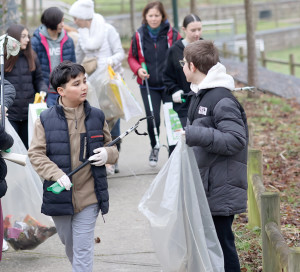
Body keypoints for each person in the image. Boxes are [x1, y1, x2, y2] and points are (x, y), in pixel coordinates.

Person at [28, 61, 118, 271]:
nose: (84, 86)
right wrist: (56, 174)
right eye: (76, 84)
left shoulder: (97, 116)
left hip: (90, 196)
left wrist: (107, 154)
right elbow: (36, 153)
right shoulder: (45, 120)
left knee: (83, 250)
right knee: (71, 247)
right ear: (61, 90)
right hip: (60, 197)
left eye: (84, 81)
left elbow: (112, 147)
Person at [182, 40, 248, 272]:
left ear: (192, 66)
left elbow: (235, 140)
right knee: (211, 246)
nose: (182, 67)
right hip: (208, 185)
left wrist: (194, 134)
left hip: (221, 187)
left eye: (183, 63)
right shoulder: (201, 94)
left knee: (222, 246)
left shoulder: (222, 99)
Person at [69, 0, 124, 173]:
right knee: (96, 121)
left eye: (76, 18)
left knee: (113, 120)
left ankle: (114, 158)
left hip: (108, 82)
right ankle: (100, 157)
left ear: (84, 17)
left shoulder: (108, 30)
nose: (75, 21)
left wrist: (110, 61)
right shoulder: (82, 33)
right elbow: (78, 56)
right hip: (90, 83)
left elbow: (120, 52)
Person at [128, 1, 181, 167]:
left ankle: (174, 153)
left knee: (172, 121)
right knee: (153, 120)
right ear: (145, 17)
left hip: (169, 85)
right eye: (150, 15)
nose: (153, 18)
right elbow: (131, 57)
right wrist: (138, 70)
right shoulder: (139, 35)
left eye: (157, 15)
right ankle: (155, 146)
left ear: (162, 16)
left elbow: (181, 56)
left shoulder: (173, 34)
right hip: (148, 85)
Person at [5, 24, 48, 149]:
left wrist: (43, 90)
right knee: (13, 149)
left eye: (27, 36)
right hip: (10, 114)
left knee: (28, 148)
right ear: (14, 38)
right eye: (23, 36)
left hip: (28, 114)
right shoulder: (3, 59)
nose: (27, 40)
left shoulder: (32, 56)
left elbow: (39, 79)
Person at [31, 7, 76, 107]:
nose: (63, 25)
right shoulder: (36, 42)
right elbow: (32, 70)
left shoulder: (68, 41)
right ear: (52, 21)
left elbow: (73, 66)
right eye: (60, 21)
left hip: (65, 91)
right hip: (46, 93)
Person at [163, 14, 203, 128]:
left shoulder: (206, 48)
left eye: (199, 29)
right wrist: (175, 90)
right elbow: (166, 76)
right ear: (184, 29)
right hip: (183, 106)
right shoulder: (174, 51)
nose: (197, 34)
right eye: (193, 30)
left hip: (203, 103)